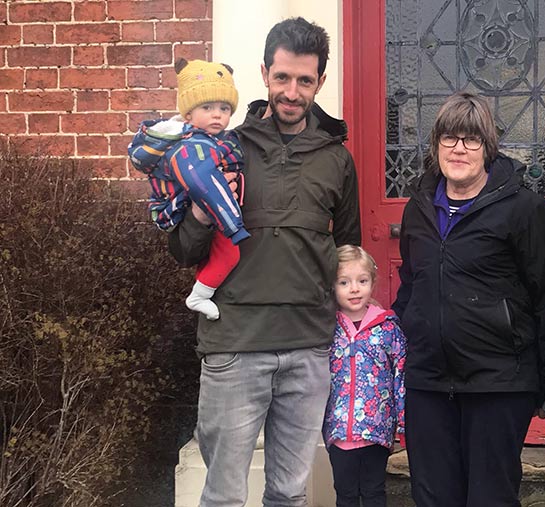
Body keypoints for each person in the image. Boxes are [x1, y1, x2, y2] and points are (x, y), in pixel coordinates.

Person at [167, 17, 361, 506]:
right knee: (224, 495)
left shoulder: (338, 159)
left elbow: (349, 250)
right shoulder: (223, 148)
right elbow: (184, 252)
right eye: (282, 78)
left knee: (290, 493)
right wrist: (197, 206)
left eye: (304, 80)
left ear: (321, 79)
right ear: (264, 74)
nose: (292, 92)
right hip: (235, 345)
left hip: (309, 349)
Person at [391, 91, 545, 507]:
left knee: (490, 497)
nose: (459, 149)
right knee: (432, 495)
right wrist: (406, 332)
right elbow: (412, 280)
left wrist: (542, 381)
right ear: (436, 145)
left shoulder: (524, 208)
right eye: (449, 138)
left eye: (471, 140)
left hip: (498, 381)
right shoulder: (419, 208)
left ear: (488, 147)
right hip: (429, 379)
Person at [128, 58, 245, 321]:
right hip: (191, 210)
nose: (217, 114)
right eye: (207, 107)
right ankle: (200, 295)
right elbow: (200, 181)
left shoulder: (212, 141)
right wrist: (230, 219)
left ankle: (202, 292)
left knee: (227, 252)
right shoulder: (190, 146)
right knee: (230, 252)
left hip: (205, 213)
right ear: (189, 113)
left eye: (224, 108)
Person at [323, 245, 406, 507]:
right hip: (338, 431)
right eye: (344, 282)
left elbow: (401, 374)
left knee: (373, 492)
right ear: (332, 286)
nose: (354, 289)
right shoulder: (327, 329)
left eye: (362, 281)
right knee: (345, 494)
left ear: (372, 282)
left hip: (376, 430)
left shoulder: (388, 328)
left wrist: (403, 423)